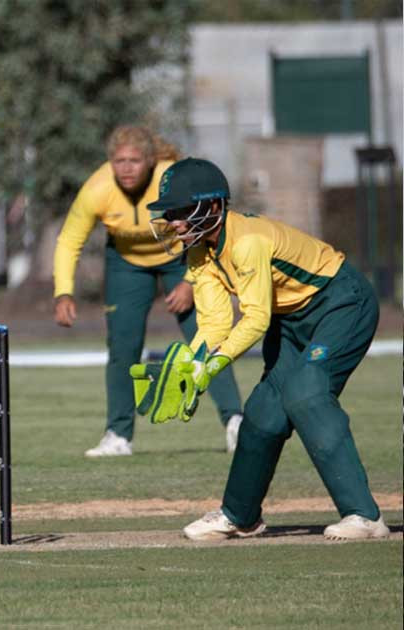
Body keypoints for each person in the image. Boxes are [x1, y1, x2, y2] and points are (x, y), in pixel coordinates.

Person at [143, 158, 389, 541]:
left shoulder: (248, 241)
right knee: (263, 412)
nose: (173, 221)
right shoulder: (198, 251)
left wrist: (215, 365)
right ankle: (240, 516)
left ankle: (365, 516)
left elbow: (255, 320)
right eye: (169, 212)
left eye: (180, 211)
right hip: (289, 319)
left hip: (341, 302)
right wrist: (193, 364)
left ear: (211, 207)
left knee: (306, 393)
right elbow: (213, 324)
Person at [53, 125, 244, 457]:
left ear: (151, 160)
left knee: (208, 337)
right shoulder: (98, 188)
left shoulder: (172, 176)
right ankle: (118, 436)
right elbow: (69, 240)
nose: (125, 168)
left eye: (134, 160)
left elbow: (208, 226)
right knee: (122, 348)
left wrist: (189, 280)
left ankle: (236, 423)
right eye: (118, 160)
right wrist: (63, 292)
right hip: (126, 262)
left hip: (185, 255)